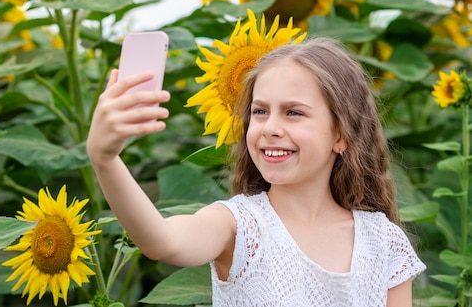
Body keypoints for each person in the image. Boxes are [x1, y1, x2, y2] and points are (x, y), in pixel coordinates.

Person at [86, 37, 426, 306]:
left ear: (340, 135)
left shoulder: (383, 243)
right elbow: (162, 242)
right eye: (260, 111)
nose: (270, 127)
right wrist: (105, 159)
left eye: (293, 113)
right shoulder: (239, 228)